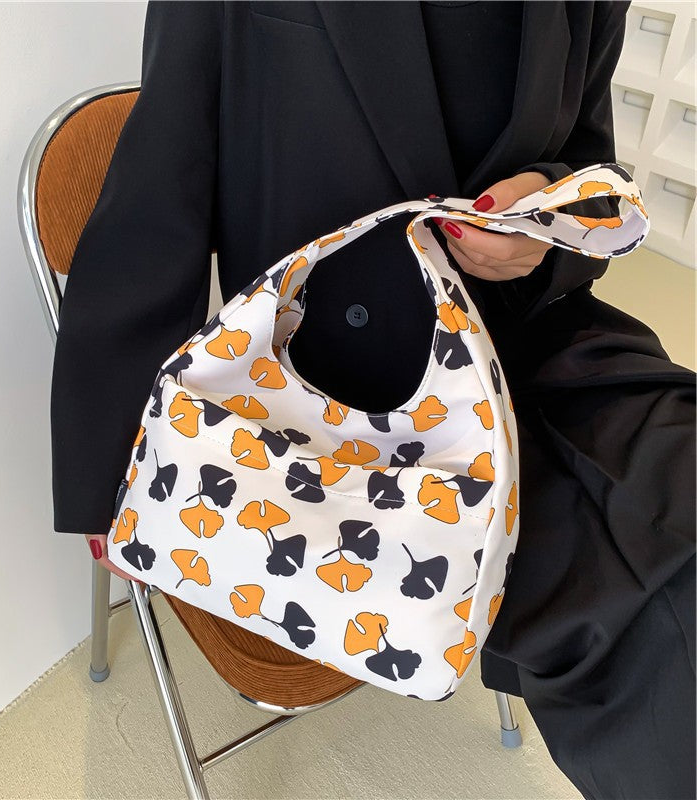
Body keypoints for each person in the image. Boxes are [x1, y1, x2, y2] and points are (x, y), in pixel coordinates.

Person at [49, 2, 696, 797]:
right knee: (636, 640)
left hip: (543, 349)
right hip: (326, 418)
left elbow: (588, 162)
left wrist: (543, 215)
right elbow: (159, 188)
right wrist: (111, 462)